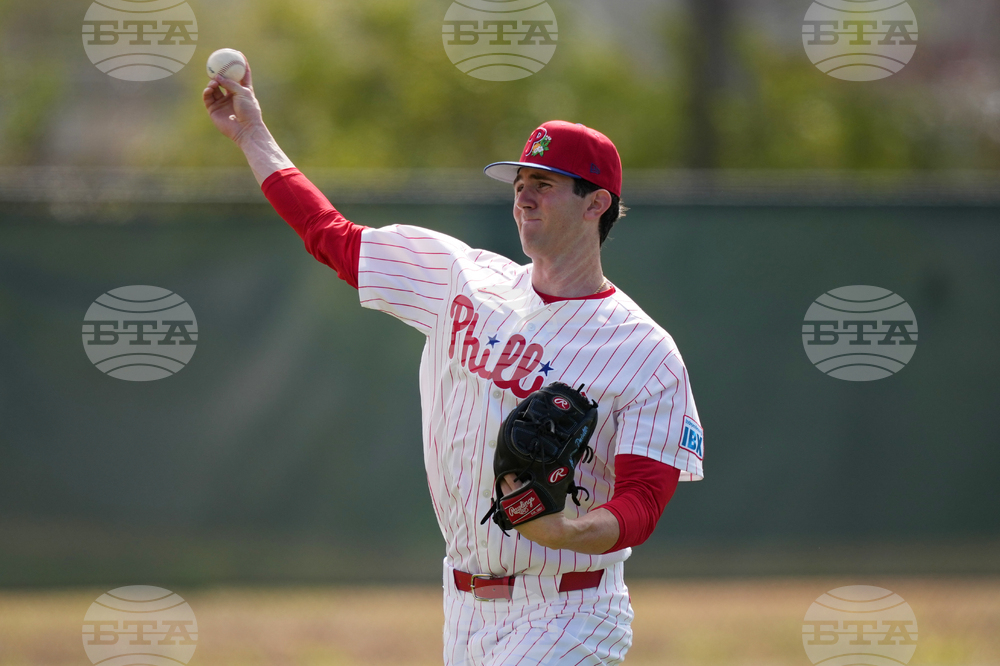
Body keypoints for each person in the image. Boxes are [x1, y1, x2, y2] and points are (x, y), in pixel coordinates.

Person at [203, 57, 704, 666]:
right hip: (463, 606)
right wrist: (252, 134)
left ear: (596, 203)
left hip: (570, 610)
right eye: (519, 183)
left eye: (544, 184)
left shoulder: (644, 351)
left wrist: (565, 531)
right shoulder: (459, 278)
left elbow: (644, 500)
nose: (524, 196)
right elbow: (329, 235)